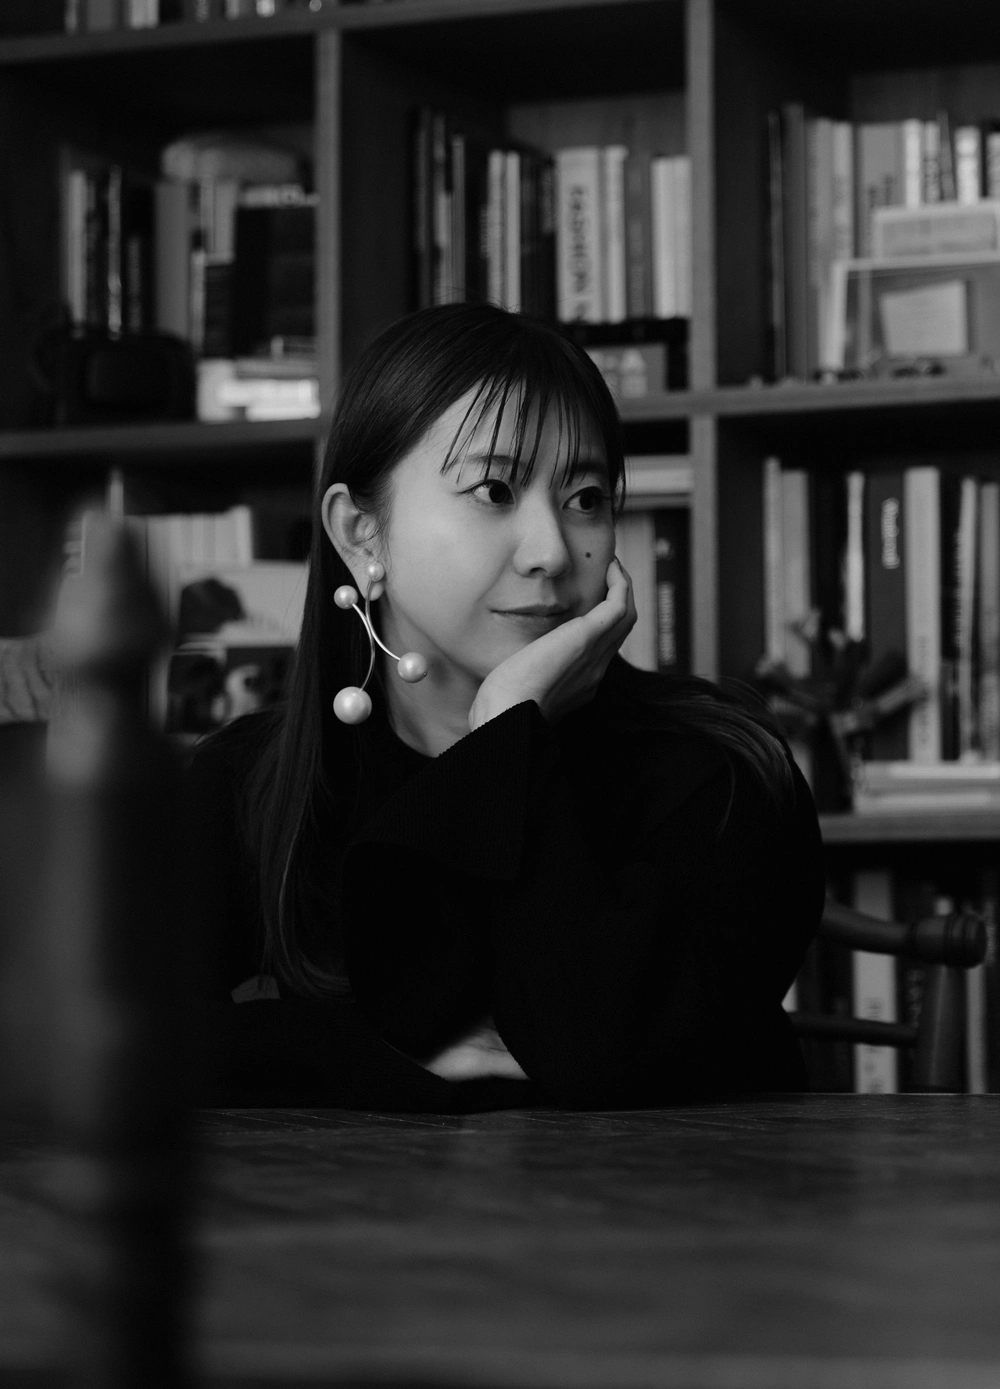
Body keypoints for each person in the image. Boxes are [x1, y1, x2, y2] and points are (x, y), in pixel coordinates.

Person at [188, 302, 824, 1112]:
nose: (553, 550)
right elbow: (104, 1040)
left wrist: (506, 731)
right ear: (361, 532)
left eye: (586, 497)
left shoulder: (722, 773)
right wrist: (378, 1056)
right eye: (493, 489)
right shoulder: (248, 783)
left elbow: (607, 1061)